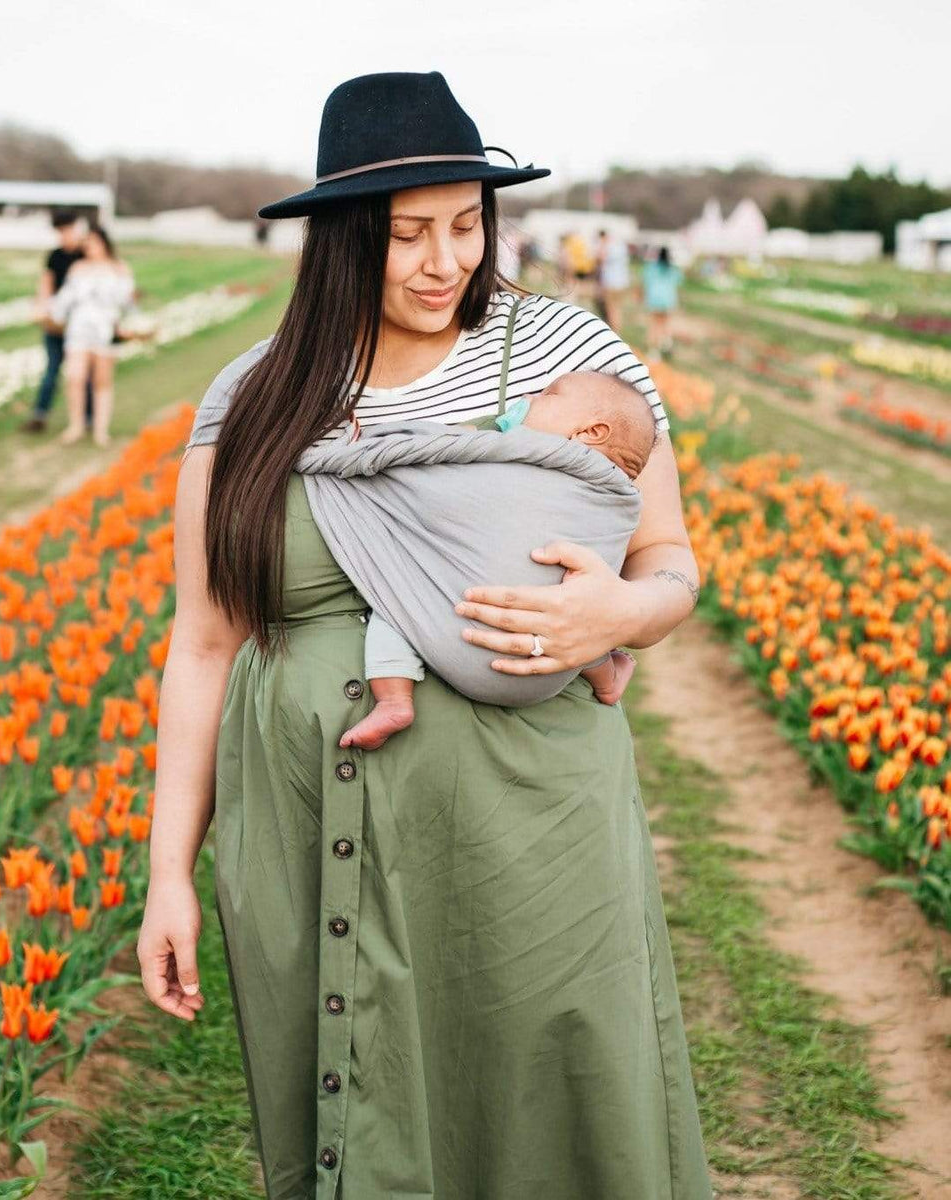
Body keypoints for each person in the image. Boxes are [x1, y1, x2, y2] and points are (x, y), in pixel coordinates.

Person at [139, 70, 712, 1199]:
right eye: (408, 235)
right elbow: (203, 642)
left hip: (528, 828)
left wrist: (623, 614)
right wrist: (169, 872)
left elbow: (671, 563)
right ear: (342, 241)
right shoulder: (251, 400)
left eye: (466, 224)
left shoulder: (563, 357)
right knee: (359, 1110)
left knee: (554, 1101)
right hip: (308, 821)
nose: (446, 261)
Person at [335, 368, 654, 751]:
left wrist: (371, 441)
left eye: (548, 395)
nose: (530, 399)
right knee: (577, 608)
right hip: (554, 664)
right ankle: (604, 673)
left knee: (398, 590)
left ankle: (394, 698)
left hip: (473, 624)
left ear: (591, 433)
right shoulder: (615, 497)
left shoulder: (525, 446)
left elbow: (452, 449)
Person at [47, 221, 135, 447]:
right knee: (75, 377)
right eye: (86, 243)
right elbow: (64, 300)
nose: (89, 246)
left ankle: (100, 430)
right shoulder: (78, 268)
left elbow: (127, 303)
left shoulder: (119, 268)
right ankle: (75, 426)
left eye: (93, 242)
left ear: (104, 243)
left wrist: (129, 325)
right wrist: (51, 313)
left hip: (105, 330)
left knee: (101, 381)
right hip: (79, 329)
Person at [22, 210, 94, 434]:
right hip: (57, 323)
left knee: (85, 372)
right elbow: (46, 284)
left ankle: (89, 417)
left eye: (68, 230)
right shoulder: (55, 256)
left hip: (82, 323)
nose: (64, 235)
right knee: (52, 369)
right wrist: (44, 309)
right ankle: (39, 415)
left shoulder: (87, 254)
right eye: (60, 231)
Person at [642, 245, 684, 359]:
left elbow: (646, 281)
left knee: (654, 326)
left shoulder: (651, 268)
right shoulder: (673, 269)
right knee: (665, 324)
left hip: (654, 300)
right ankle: (666, 342)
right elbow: (679, 282)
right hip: (668, 300)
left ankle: (654, 351)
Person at [596, 227, 632, 331]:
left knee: (611, 310)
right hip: (622, 283)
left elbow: (600, 259)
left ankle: (614, 331)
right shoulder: (621, 247)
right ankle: (617, 330)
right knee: (618, 309)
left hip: (611, 283)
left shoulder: (607, 247)